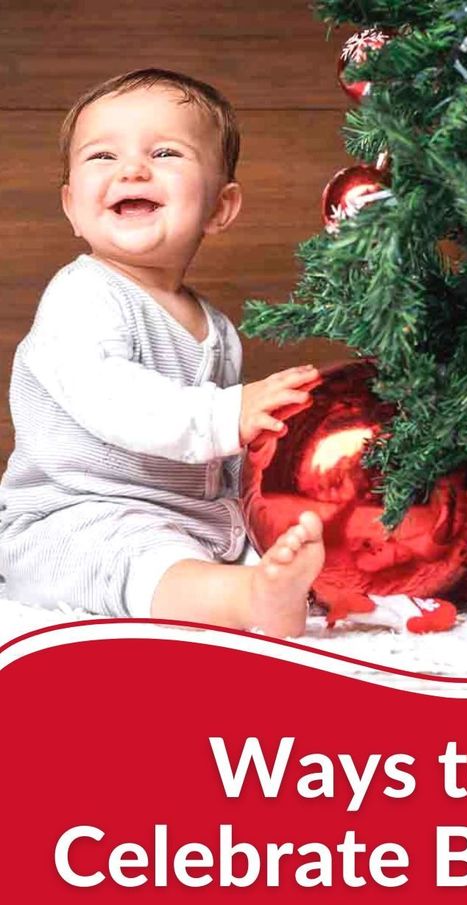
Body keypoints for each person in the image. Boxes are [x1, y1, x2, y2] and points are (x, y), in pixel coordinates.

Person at [0, 68, 325, 637]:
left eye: (166, 151)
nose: (132, 169)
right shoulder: (82, 295)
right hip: (72, 517)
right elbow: (112, 395)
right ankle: (247, 600)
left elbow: (219, 458)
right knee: (133, 560)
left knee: (257, 545)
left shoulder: (216, 328)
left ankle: (284, 584)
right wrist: (231, 413)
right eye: (102, 156)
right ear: (72, 207)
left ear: (220, 208)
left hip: (194, 519)